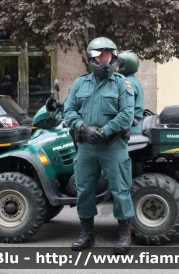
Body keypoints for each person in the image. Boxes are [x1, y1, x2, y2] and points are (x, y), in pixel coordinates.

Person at [64, 37, 135, 255]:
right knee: (84, 189)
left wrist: (104, 132)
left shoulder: (123, 83)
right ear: (91, 57)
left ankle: (124, 235)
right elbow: (69, 110)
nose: (105, 59)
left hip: (113, 146)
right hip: (87, 146)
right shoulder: (80, 83)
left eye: (109, 55)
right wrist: (84, 128)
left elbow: (126, 115)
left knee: (120, 190)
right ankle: (87, 234)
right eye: (100, 55)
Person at [117, 50, 145, 134]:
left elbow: (124, 108)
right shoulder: (133, 80)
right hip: (136, 125)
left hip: (130, 129)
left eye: (118, 65)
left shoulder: (128, 82)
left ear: (124, 66)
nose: (115, 67)